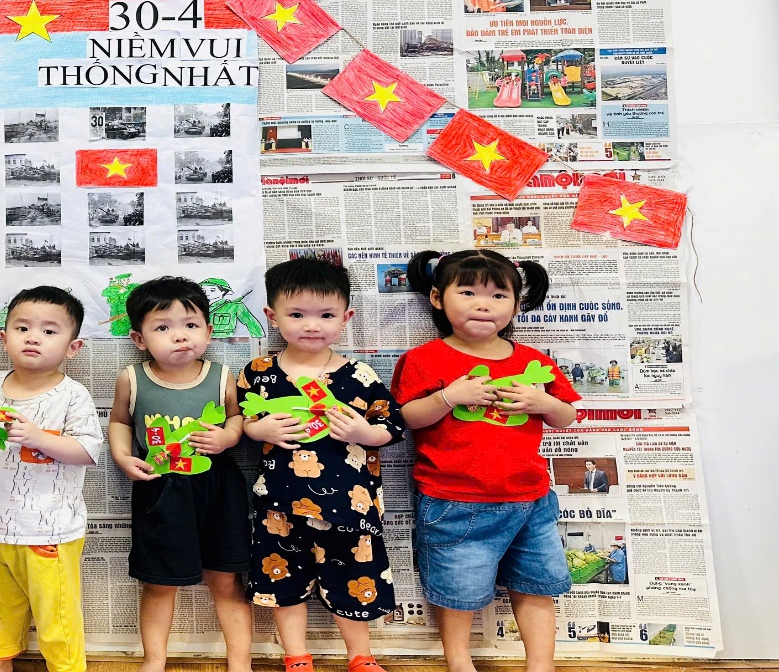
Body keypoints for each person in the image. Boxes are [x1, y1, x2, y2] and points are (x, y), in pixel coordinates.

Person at [393, 249, 580, 672]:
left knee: (537, 586)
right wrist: (447, 398)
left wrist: (542, 400)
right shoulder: (425, 359)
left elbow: (567, 417)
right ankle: (459, 662)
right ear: (438, 298)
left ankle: (541, 665)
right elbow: (406, 417)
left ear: (516, 304)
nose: (483, 304)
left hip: (530, 499)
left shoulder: (534, 361)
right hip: (454, 500)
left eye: (499, 295)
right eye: (468, 292)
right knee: (457, 592)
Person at [243, 259, 406, 672]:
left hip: (351, 507)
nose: (311, 325)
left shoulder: (359, 375)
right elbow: (241, 420)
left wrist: (365, 434)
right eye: (296, 314)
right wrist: (258, 430)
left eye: (326, 315)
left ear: (346, 318)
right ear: (272, 316)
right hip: (279, 507)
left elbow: (393, 424)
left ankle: (360, 656)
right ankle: (296, 657)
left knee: (356, 580)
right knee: (284, 583)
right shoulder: (259, 373)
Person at [0, 287, 103, 672]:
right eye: (22, 328)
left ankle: (67, 667)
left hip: (47, 531)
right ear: (4, 338)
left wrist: (38, 438)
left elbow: (87, 452)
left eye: (50, 331)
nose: (33, 337)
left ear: (73, 347)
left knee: (56, 609)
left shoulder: (72, 395)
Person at [109, 278, 253, 672]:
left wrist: (227, 436)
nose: (179, 336)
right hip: (161, 488)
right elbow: (120, 421)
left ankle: (240, 662)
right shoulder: (132, 378)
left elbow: (238, 417)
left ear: (208, 331)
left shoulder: (222, 376)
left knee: (225, 580)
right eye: (163, 327)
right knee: (159, 582)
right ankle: (154, 661)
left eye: (190, 325)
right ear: (140, 339)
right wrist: (123, 456)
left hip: (218, 486)